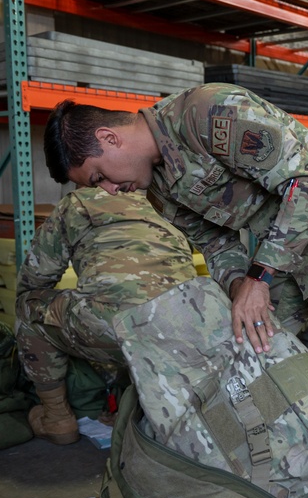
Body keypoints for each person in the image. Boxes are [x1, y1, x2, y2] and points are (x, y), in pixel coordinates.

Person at [42, 84, 308, 498]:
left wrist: (260, 278)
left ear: (110, 139)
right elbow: (214, 244)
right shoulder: (157, 187)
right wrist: (241, 282)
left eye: (99, 178)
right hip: (281, 257)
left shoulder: (207, 113)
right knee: (254, 363)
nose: (110, 192)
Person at [16, 188, 197, 445]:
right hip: (186, 327)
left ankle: (57, 418)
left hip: (120, 328)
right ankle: (130, 410)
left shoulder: (78, 202)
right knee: (132, 315)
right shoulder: (166, 199)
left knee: (29, 308)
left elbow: (37, 276)